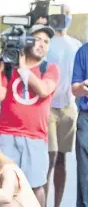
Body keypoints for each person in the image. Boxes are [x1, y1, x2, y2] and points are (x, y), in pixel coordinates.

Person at [0, 24, 59, 207]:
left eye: (46, 41)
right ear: (26, 41)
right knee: (3, 185)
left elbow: (44, 90)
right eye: (38, 39)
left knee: (36, 186)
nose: (42, 44)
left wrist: (22, 69)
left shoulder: (49, 68)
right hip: (6, 135)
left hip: (35, 137)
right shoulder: (8, 67)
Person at [44, 6, 82, 207]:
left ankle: (57, 204)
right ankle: (42, 202)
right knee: (50, 158)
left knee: (61, 160)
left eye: (66, 13)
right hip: (48, 108)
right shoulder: (46, 43)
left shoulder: (76, 45)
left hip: (68, 109)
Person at [72, 43, 88, 207]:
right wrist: (83, 87)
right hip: (86, 118)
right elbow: (75, 89)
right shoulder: (83, 52)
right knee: (85, 174)